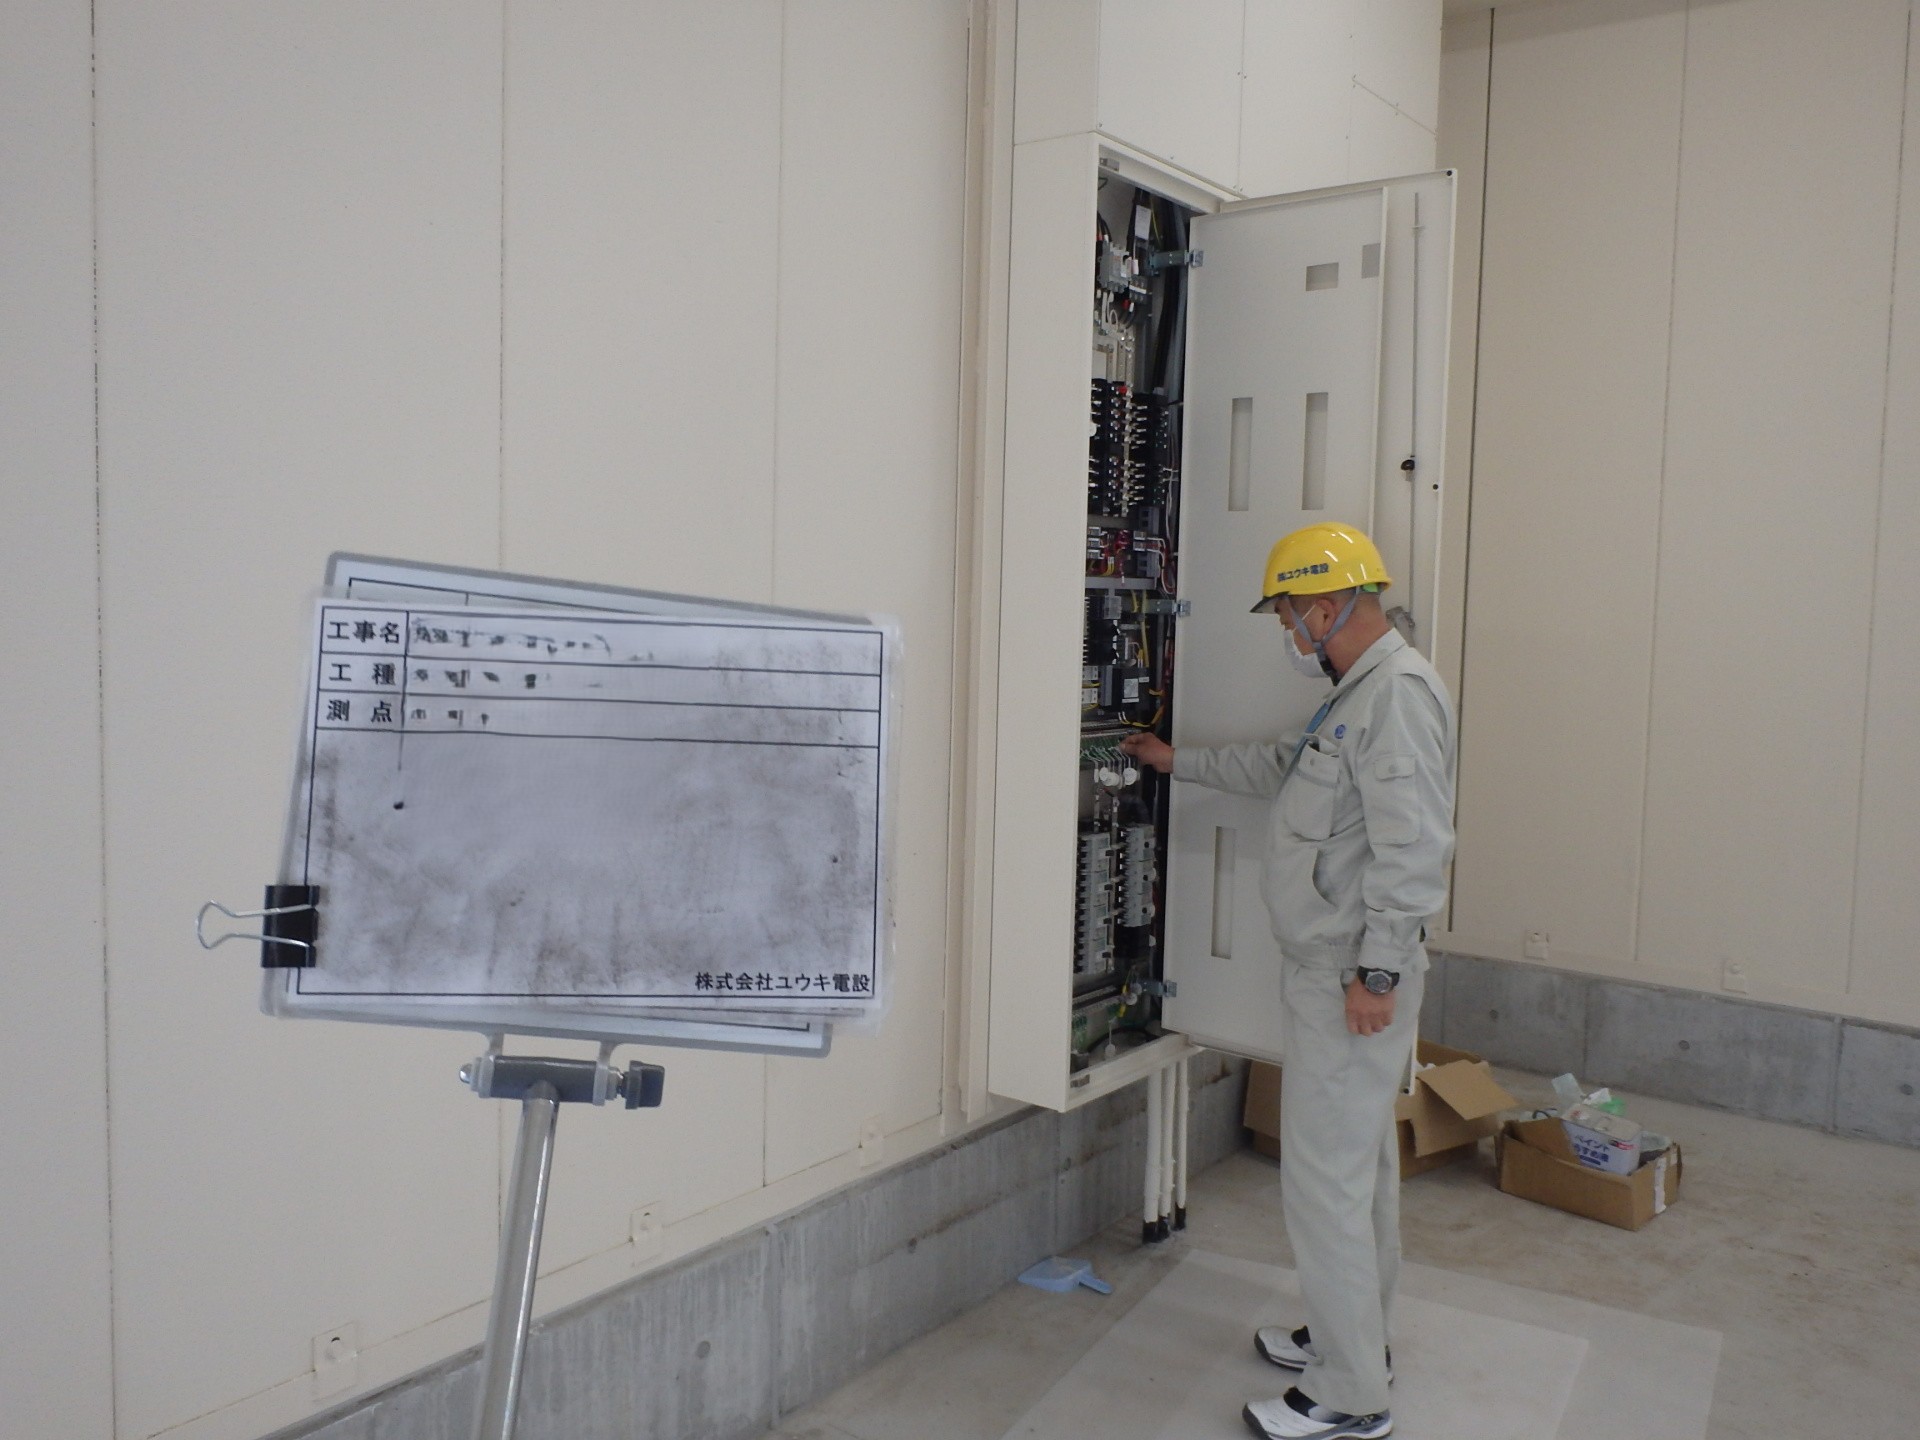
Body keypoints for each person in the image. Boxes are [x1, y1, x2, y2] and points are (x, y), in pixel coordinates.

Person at [1122, 522, 1456, 1440]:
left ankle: (1351, 1396)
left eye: (1285, 617)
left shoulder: (1395, 697)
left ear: (1325, 605)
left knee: (1324, 1183)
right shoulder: (1359, 695)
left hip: (1352, 979)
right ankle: (1357, 1341)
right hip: (1337, 971)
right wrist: (1175, 761)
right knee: (1357, 1169)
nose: (1286, 634)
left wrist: (1376, 972)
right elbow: (1281, 766)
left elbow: (1413, 852)